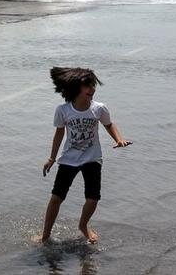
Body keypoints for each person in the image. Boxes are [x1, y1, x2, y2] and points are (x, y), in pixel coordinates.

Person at [39, 67, 131, 244]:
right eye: (88, 86)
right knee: (56, 198)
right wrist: (52, 158)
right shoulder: (63, 110)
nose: (92, 89)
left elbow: (109, 125)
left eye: (93, 85)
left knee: (93, 198)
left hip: (92, 158)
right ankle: (45, 235)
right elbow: (59, 134)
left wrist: (120, 140)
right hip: (69, 159)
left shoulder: (99, 109)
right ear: (76, 89)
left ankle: (83, 225)